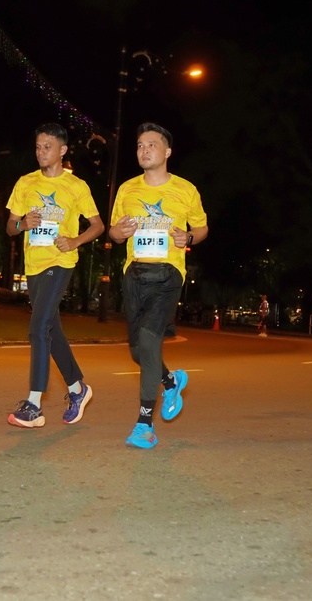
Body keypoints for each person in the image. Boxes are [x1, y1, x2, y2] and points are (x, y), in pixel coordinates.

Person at [110, 122, 208, 449]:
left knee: (150, 341)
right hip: (134, 273)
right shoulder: (127, 190)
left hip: (168, 275)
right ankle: (170, 380)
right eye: (140, 145)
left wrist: (189, 237)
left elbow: (202, 228)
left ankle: (144, 425)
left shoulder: (185, 189)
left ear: (167, 152)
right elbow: (113, 231)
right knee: (138, 351)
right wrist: (117, 233)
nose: (144, 149)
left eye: (151, 144)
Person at [5, 122, 104, 428]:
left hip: (61, 262)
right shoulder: (25, 183)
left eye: (47, 147)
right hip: (34, 265)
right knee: (51, 329)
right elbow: (10, 227)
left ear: (62, 151)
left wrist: (74, 241)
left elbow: (98, 225)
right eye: (38, 147)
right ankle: (78, 389)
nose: (41, 152)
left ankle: (34, 405)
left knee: (38, 328)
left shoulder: (76, 186)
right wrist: (23, 224)